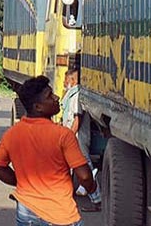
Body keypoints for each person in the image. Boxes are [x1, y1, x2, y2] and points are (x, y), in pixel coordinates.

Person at [0, 76, 97, 226]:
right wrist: (93, 189)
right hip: (60, 213)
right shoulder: (63, 135)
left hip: (26, 210)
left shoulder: (12, 134)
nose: (56, 97)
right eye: (49, 96)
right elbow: (84, 176)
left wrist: (21, 182)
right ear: (38, 107)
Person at [59, 68, 101, 210]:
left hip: (77, 137)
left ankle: (97, 198)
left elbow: (78, 119)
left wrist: (69, 136)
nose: (64, 83)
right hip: (73, 136)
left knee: (85, 166)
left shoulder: (77, 96)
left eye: (66, 80)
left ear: (73, 80)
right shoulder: (71, 95)